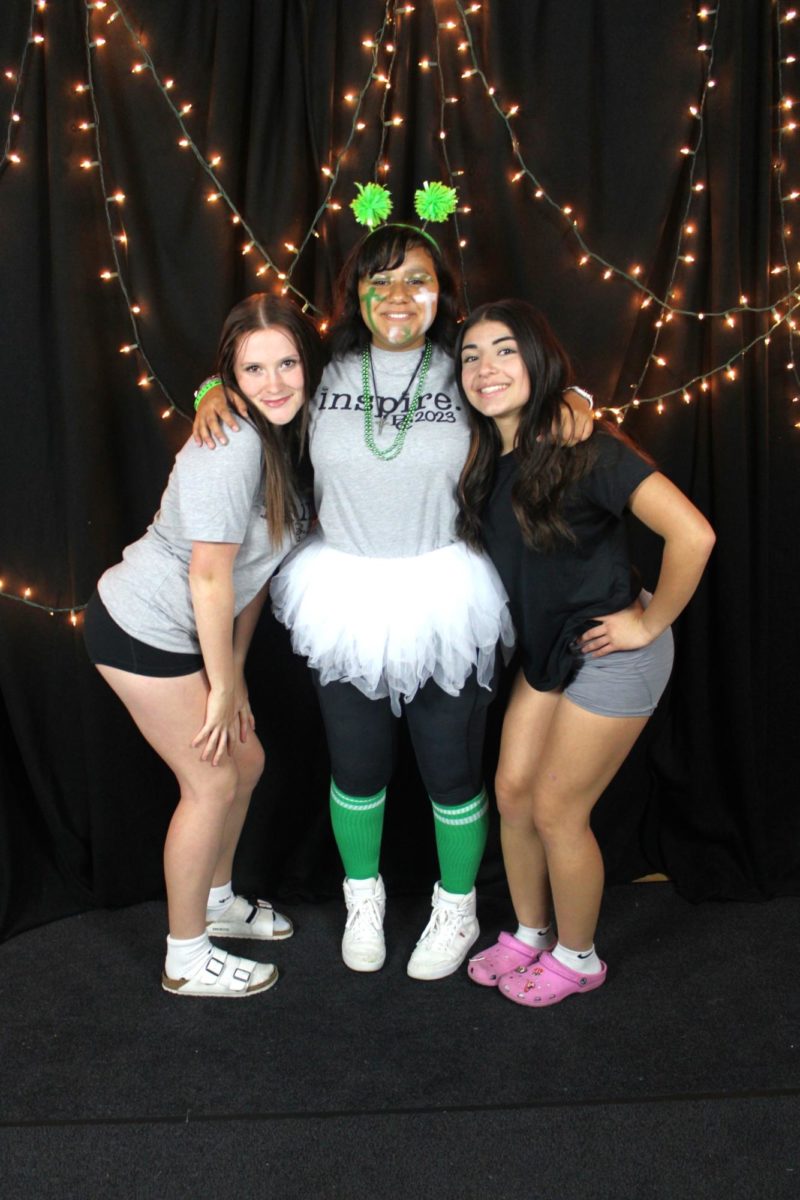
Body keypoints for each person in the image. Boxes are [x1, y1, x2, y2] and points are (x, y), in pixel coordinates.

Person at [192, 227, 594, 981]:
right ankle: (363, 898)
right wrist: (209, 393)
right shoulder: (324, 364)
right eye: (380, 281)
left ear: (441, 291)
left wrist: (575, 396)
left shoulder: (465, 369)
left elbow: (531, 384)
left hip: (443, 592)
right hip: (343, 591)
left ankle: (456, 905)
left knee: (450, 769)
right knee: (358, 766)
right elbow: (256, 375)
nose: (398, 296)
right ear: (357, 293)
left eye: (416, 279)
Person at [454, 298, 715, 1006]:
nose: (486, 368)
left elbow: (694, 535)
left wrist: (650, 621)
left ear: (536, 360)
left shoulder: (586, 445)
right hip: (547, 654)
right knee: (511, 793)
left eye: (504, 350)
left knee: (556, 809)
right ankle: (531, 933)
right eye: (472, 356)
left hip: (613, 652)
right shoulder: (482, 455)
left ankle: (579, 957)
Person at [83, 294, 323, 998]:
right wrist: (220, 688)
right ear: (230, 374)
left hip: (193, 633)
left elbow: (251, 580)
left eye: (287, 363)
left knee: (245, 763)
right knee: (213, 778)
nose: (274, 382)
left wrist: (236, 674)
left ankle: (217, 902)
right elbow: (211, 575)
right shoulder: (232, 446)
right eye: (253, 369)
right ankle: (185, 957)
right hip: (142, 627)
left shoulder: (284, 438)